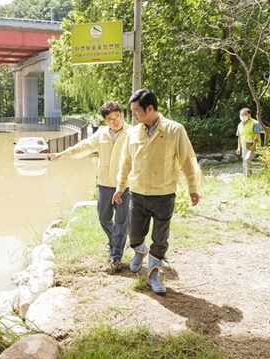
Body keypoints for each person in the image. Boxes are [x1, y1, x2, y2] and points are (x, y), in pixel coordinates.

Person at [112, 89, 201, 295]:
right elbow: (125, 162)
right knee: (134, 234)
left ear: (149, 108)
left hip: (164, 194)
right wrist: (120, 187)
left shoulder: (175, 130)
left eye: (136, 110)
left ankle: (153, 274)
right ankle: (139, 250)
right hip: (138, 193)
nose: (133, 114)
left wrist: (192, 187)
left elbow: (187, 159)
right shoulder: (133, 133)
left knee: (160, 238)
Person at [50, 101, 130, 272]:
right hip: (104, 184)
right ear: (104, 121)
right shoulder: (101, 135)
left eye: (117, 117)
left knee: (122, 222)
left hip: (125, 186)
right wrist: (63, 153)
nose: (115, 121)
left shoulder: (132, 134)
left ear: (122, 115)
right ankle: (113, 240)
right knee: (104, 218)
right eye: (110, 119)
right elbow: (83, 146)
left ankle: (116, 256)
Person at [236, 108, 262, 176]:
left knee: (247, 159)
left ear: (249, 115)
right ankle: (246, 176)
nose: (242, 116)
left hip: (254, 145)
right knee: (244, 160)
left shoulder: (255, 123)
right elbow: (239, 137)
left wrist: (253, 146)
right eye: (241, 115)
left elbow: (257, 135)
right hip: (244, 145)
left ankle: (249, 176)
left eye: (245, 114)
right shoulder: (239, 125)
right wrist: (239, 148)